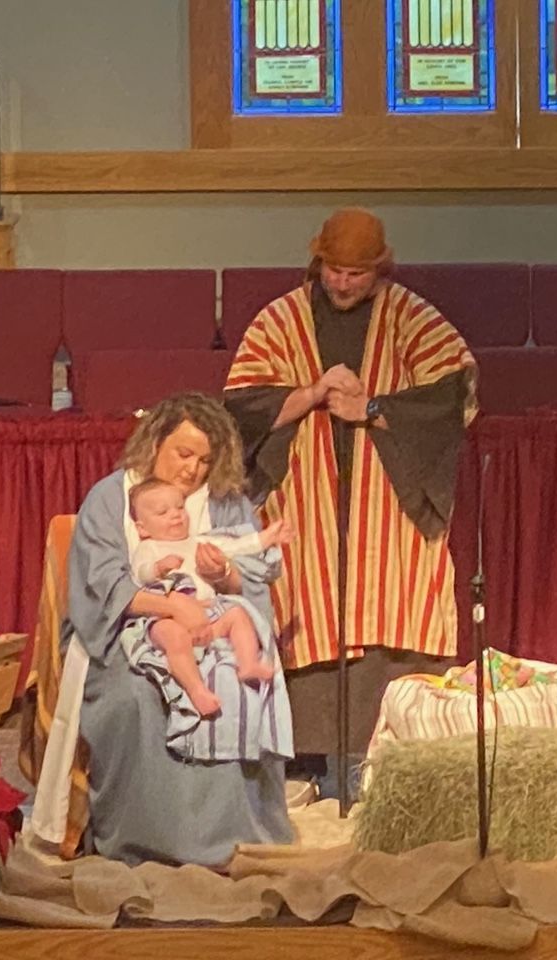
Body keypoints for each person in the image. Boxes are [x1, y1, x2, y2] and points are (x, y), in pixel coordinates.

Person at [224, 208, 477, 774]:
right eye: (334, 270)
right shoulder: (279, 320)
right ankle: (306, 767)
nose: (342, 283)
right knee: (308, 608)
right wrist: (313, 393)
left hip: (388, 500)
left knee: (393, 607)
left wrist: (373, 408)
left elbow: (451, 397)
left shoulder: (412, 318)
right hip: (306, 497)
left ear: (380, 269)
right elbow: (243, 407)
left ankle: (395, 763)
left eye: (356, 274)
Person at [66, 393, 294, 866]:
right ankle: (147, 837)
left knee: (240, 683)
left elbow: (253, 580)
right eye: (183, 454)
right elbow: (104, 584)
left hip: (215, 626)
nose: (193, 469)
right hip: (131, 630)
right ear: (155, 444)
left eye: (205, 460)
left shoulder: (227, 504)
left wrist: (223, 576)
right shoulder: (112, 499)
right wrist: (171, 606)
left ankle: (236, 834)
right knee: (138, 695)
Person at [129, 477, 292, 715]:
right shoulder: (149, 548)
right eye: (163, 512)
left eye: (180, 507)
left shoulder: (199, 542)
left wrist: (266, 538)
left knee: (237, 614)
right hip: (166, 618)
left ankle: (248, 663)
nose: (175, 515)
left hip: (207, 612)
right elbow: (139, 573)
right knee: (173, 637)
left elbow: (237, 546)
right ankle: (197, 690)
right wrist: (158, 568)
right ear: (142, 528)